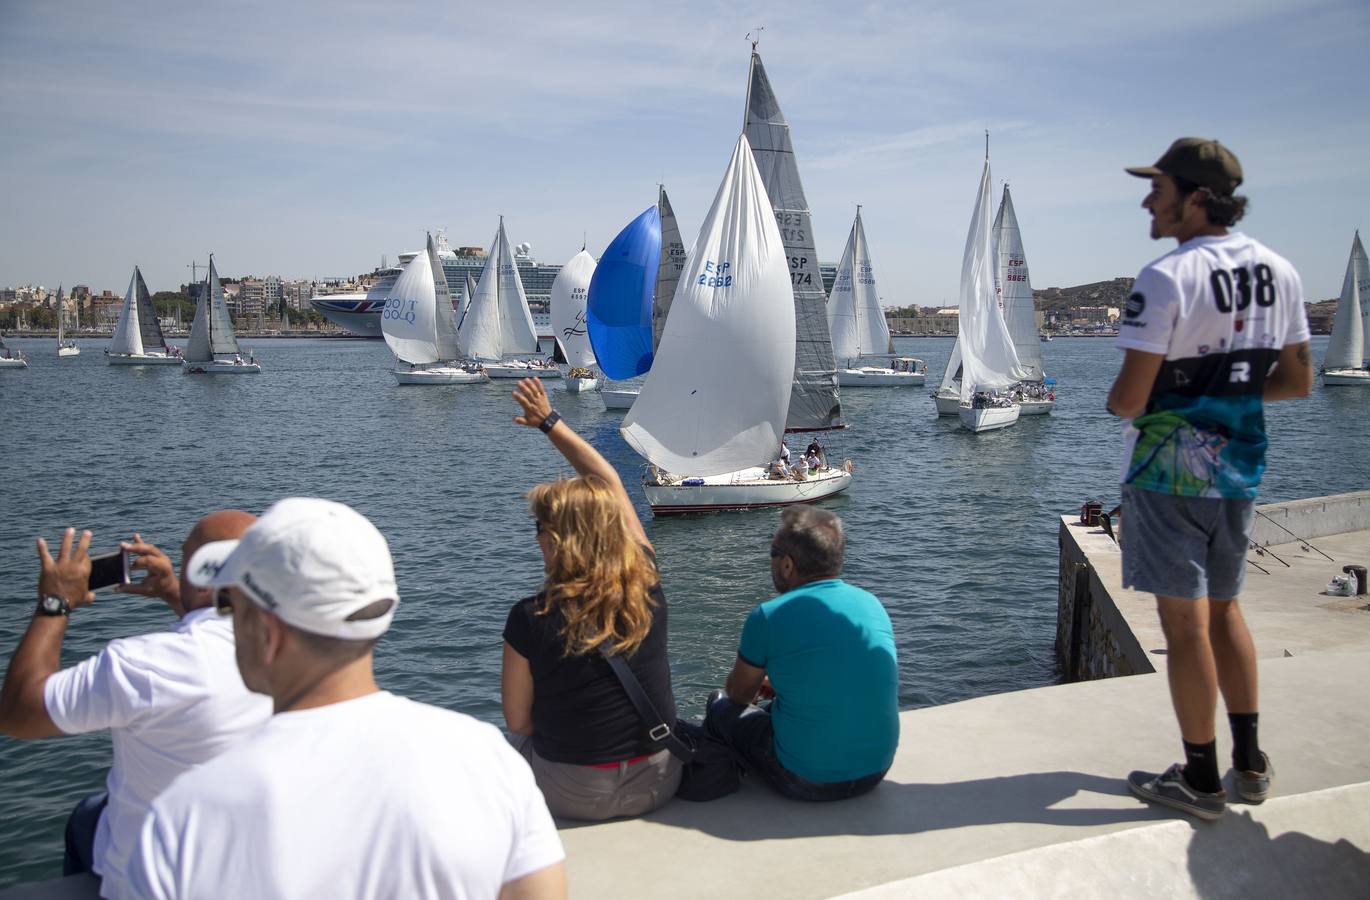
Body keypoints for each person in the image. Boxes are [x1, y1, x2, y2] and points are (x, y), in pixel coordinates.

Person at [128, 497, 565, 899]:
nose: (225, 622)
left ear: (267, 630)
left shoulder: (189, 814)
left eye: (231, 607)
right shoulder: (487, 760)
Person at [1108, 138, 1312, 821]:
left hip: (1169, 473)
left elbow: (1128, 401)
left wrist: (1167, 401)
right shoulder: (1280, 271)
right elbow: (1297, 381)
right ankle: (1249, 764)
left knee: (1184, 623)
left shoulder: (1166, 278)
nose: (1147, 200)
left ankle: (1199, 779)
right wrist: (1227, 403)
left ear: (1196, 198)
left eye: (1158, 188)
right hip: (1242, 468)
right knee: (1226, 611)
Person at [0, 512, 270, 898]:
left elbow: (18, 713)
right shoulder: (303, 655)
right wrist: (179, 594)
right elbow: (219, 642)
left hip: (154, 884)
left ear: (199, 572)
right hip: (251, 874)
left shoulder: (141, 664)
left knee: (86, 816)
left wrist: (55, 601)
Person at [502, 377, 682, 820]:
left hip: (573, 793)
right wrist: (551, 423)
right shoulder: (647, 584)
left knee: (508, 745)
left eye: (538, 531)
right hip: (660, 780)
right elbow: (607, 481)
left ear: (554, 541)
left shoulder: (530, 617)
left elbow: (520, 722)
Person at [706, 506, 899, 801]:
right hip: (875, 771)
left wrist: (756, 683)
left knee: (719, 705)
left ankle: (715, 776)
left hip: (805, 779)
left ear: (787, 565)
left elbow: (739, 695)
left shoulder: (768, 616)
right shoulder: (872, 604)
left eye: (772, 553)